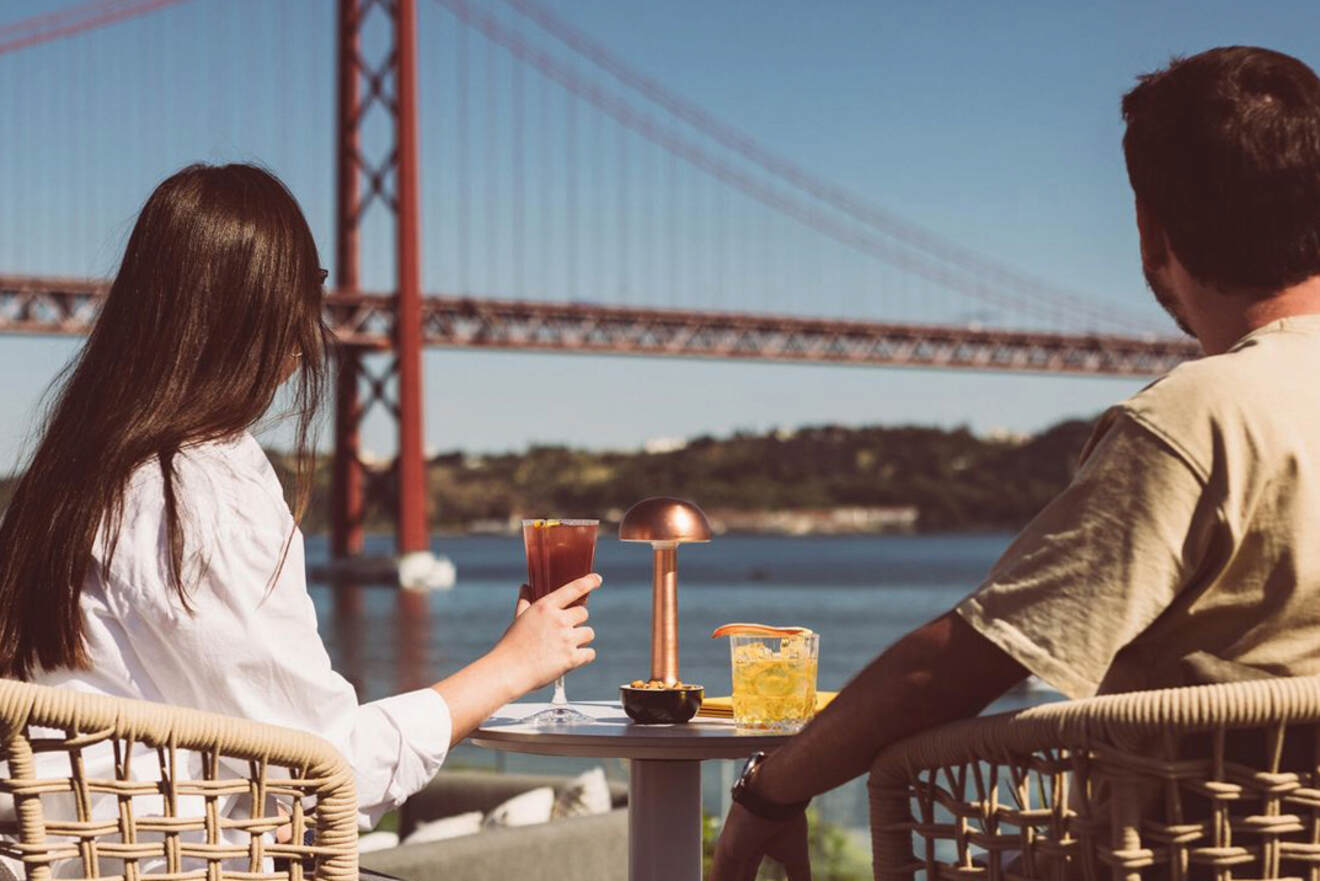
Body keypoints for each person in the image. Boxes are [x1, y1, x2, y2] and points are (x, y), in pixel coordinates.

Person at [712, 45, 1320, 881]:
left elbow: (963, 660)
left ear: (1152, 229)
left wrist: (767, 795)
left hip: (1190, 856)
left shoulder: (1200, 414)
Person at [0, 164, 599, 850]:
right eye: (300, 301)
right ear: (260, 317)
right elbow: (321, 766)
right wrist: (513, 665)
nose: (307, 332)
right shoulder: (201, 488)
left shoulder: (68, 481)